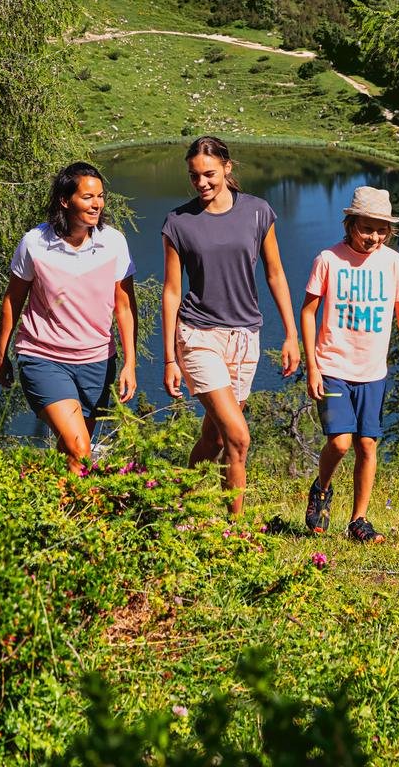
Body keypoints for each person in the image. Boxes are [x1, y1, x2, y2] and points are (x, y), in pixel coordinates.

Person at [161, 135, 300, 518]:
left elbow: (275, 274)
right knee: (238, 438)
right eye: (194, 176)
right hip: (198, 336)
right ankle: (235, 530)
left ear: (227, 167)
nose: (201, 183)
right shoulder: (178, 222)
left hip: (245, 337)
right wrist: (170, 358)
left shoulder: (257, 212)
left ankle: (177, 508)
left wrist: (291, 334)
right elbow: (172, 291)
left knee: (216, 438)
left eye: (209, 174)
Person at [0, 161, 138, 471]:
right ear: (64, 200)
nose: (97, 204)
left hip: (98, 363)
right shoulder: (35, 243)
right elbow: (13, 300)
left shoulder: (113, 242)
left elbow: (125, 306)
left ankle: (63, 502)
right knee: (79, 446)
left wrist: (130, 362)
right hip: (43, 358)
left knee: (72, 456)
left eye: (100, 196)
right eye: (87, 197)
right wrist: (1, 354)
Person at [299, 184, 399, 543]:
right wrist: (312, 365)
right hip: (333, 366)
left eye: (382, 230)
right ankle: (321, 490)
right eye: (367, 228)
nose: (374, 237)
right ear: (350, 224)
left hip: (373, 372)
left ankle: (359, 521)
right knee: (339, 443)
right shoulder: (328, 259)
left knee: (367, 444)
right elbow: (308, 311)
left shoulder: (393, 263)